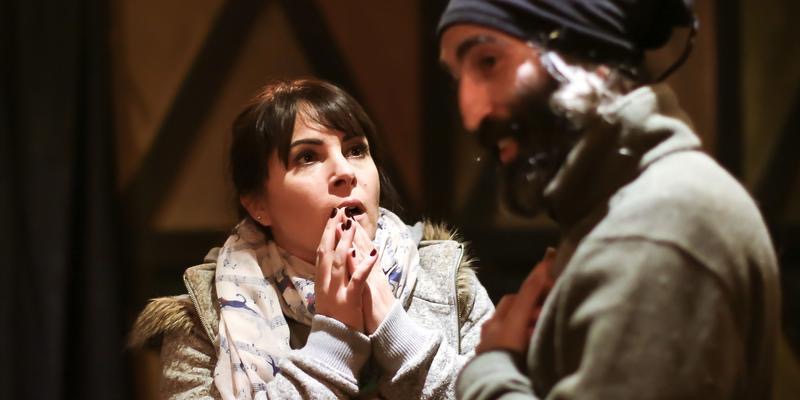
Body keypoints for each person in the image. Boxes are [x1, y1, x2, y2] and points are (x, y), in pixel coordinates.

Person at [437, 0, 781, 399]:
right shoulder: (627, 207)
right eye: (457, 78)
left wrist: (489, 369)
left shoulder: (658, 223)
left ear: (582, 52)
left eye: (489, 62)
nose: (471, 112)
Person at [130, 78, 494, 399]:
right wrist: (332, 343)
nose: (345, 171)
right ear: (257, 204)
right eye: (307, 157)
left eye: (356, 150)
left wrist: (396, 332)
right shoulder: (204, 319)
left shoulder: (448, 281)